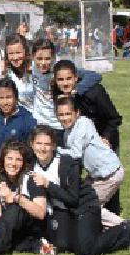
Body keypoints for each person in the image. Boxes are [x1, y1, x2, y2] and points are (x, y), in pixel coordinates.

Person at [29, 125, 130, 255]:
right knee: (63, 246)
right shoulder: (32, 166)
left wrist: (47, 184)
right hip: (63, 210)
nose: (42, 148)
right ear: (32, 144)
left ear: (54, 146)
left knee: (84, 250)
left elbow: (72, 199)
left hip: (84, 206)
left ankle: (124, 230)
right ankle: (89, 231)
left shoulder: (66, 163)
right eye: (38, 143)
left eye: (47, 144)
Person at [51, 59, 123, 215]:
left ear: (76, 78)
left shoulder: (94, 91)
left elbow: (114, 118)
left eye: (68, 79)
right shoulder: (59, 95)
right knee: (85, 186)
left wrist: (106, 137)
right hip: (80, 145)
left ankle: (116, 224)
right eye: (60, 80)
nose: (64, 83)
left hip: (103, 142)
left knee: (110, 187)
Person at [0, 139, 54, 255]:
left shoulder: (32, 179)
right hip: (10, 228)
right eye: (9, 158)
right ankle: (37, 246)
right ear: (3, 160)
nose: (13, 163)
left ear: (23, 163)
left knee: (15, 209)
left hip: (35, 227)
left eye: (18, 159)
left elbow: (41, 213)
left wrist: (15, 198)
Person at [54, 96, 129, 230]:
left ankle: (123, 226)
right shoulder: (67, 133)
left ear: (77, 113)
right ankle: (103, 227)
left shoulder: (84, 123)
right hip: (96, 176)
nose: (64, 118)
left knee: (89, 204)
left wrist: (54, 150)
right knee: (78, 199)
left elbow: (76, 153)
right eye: (61, 114)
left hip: (110, 174)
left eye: (68, 114)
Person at [30, 38, 101, 145]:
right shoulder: (32, 67)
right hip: (39, 123)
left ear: (53, 57)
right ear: (33, 57)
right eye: (39, 58)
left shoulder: (60, 68)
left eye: (47, 58)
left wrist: (76, 90)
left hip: (59, 125)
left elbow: (94, 76)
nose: (43, 63)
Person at [0, 77, 37, 159]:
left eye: (8, 97)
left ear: (16, 97)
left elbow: (30, 151)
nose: (5, 103)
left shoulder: (26, 119)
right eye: (1, 98)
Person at [3, 34, 34, 110]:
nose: (15, 57)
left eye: (18, 52)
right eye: (11, 53)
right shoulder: (6, 73)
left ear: (25, 52)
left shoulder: (35, 70)